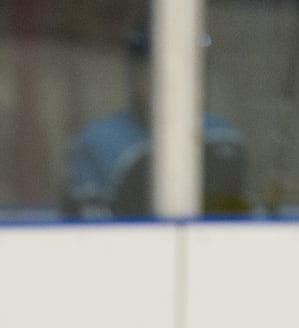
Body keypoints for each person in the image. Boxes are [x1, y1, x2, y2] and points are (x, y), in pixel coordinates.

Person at [63, 17, 249, 219]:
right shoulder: (97, 142)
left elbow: (241, 224)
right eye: (155, 68)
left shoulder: (223, 136)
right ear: (135, 73)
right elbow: (85, 236)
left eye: (188, 67)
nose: (174, 79)